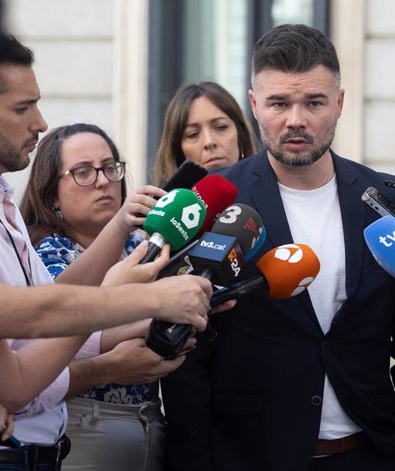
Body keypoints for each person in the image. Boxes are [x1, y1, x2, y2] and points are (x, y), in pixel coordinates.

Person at [162, 24, 395, 471]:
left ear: (339, 104)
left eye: (313, 102)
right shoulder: (215, 202)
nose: (296, 119)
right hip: (249, 455)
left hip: (371, 453)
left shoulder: (386, 199)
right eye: (278, 103)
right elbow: (189, 354)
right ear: (254, 105)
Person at [0, 34, 216, 471]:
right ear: (52, 193)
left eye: (109, 169)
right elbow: (25, 363)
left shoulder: (6, 204)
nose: (41, 123)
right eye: (23, 108)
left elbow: (55, 311)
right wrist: (145, 299)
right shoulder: (48, 238)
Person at [19, 123, 177, 471]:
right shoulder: (47, 251)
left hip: (152, 420)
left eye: (109, 167)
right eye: (83, 173)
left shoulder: (143, 242)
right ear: (51, 197)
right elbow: (62, 323)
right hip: (84, 426)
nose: (103, 181)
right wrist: (168, 308)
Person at [152, 81, 257, 186]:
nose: (209, 142)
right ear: (178, 152)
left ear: (240, 135)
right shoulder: (161, 201)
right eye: (193, 134)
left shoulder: (269, 191)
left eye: (221, 127)